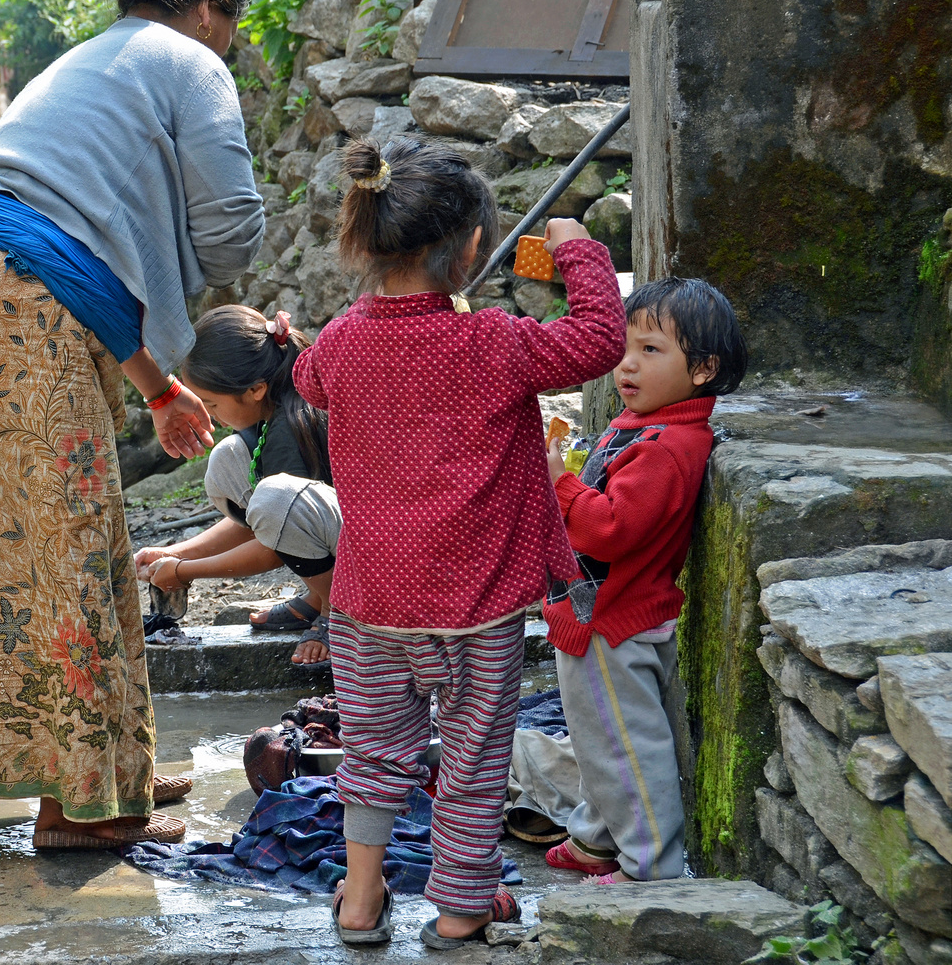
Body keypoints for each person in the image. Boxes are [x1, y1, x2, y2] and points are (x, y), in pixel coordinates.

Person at [0, 0, 265, 851]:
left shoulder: (87, 61)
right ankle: (81, 813)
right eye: (230, 25)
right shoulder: (189, 62)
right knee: (67, 554)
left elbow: (70, 244)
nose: (227, 43)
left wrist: (157, 388)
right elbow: (228, 236)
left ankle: (108, 773)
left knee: (27, 550)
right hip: (18, 311)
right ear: (209, 8)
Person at [292, 136, 626, 948]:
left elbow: (306, 384)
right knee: (474, 762)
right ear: (473, 246)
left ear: (365, 243)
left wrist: (297, 337)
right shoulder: (496, 344)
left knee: (373, 755)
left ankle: (362, 901)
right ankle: (460, 907)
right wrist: (580, 253)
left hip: (370, 606)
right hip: (477, 608)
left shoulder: (338, 343)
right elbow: (597, 341)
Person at [542, 278, 747, 885]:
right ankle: (594, 841)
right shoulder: (642, 424)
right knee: (600, 742)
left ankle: (651, 867)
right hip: (593, 613)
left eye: (651, 350)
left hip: (610, 626)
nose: (627, 364)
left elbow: (611, 529)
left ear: (703, 369)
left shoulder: (668, 446)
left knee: (627, 751)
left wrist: (561, 484)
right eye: (626, 347)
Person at [135, 305, 340, 666]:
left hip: (382, 545)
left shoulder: (291, 430)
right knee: (228, 460)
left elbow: (276, 541)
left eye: (212, 403)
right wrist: (178, 553)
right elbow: (264, 525)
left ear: (256, 389)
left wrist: (185, 572)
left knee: (276, 500)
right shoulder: (272, 407)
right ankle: (317, 595)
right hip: (333, 526)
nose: (210, 413)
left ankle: (338, 613)